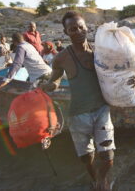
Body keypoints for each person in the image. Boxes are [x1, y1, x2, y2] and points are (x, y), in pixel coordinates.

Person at [40, 11, 120, 190]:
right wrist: (46, 86)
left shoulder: (99, 51)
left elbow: (117, 71)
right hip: (77, 114)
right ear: (66, 32)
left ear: (87, 29)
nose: (78, 31)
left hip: (101, 110)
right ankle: (94, 179)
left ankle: (101, 181)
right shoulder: (61, 58)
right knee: (86, 157)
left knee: (107, 155)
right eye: (72, 29)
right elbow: (55, 81)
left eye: (81, 27)